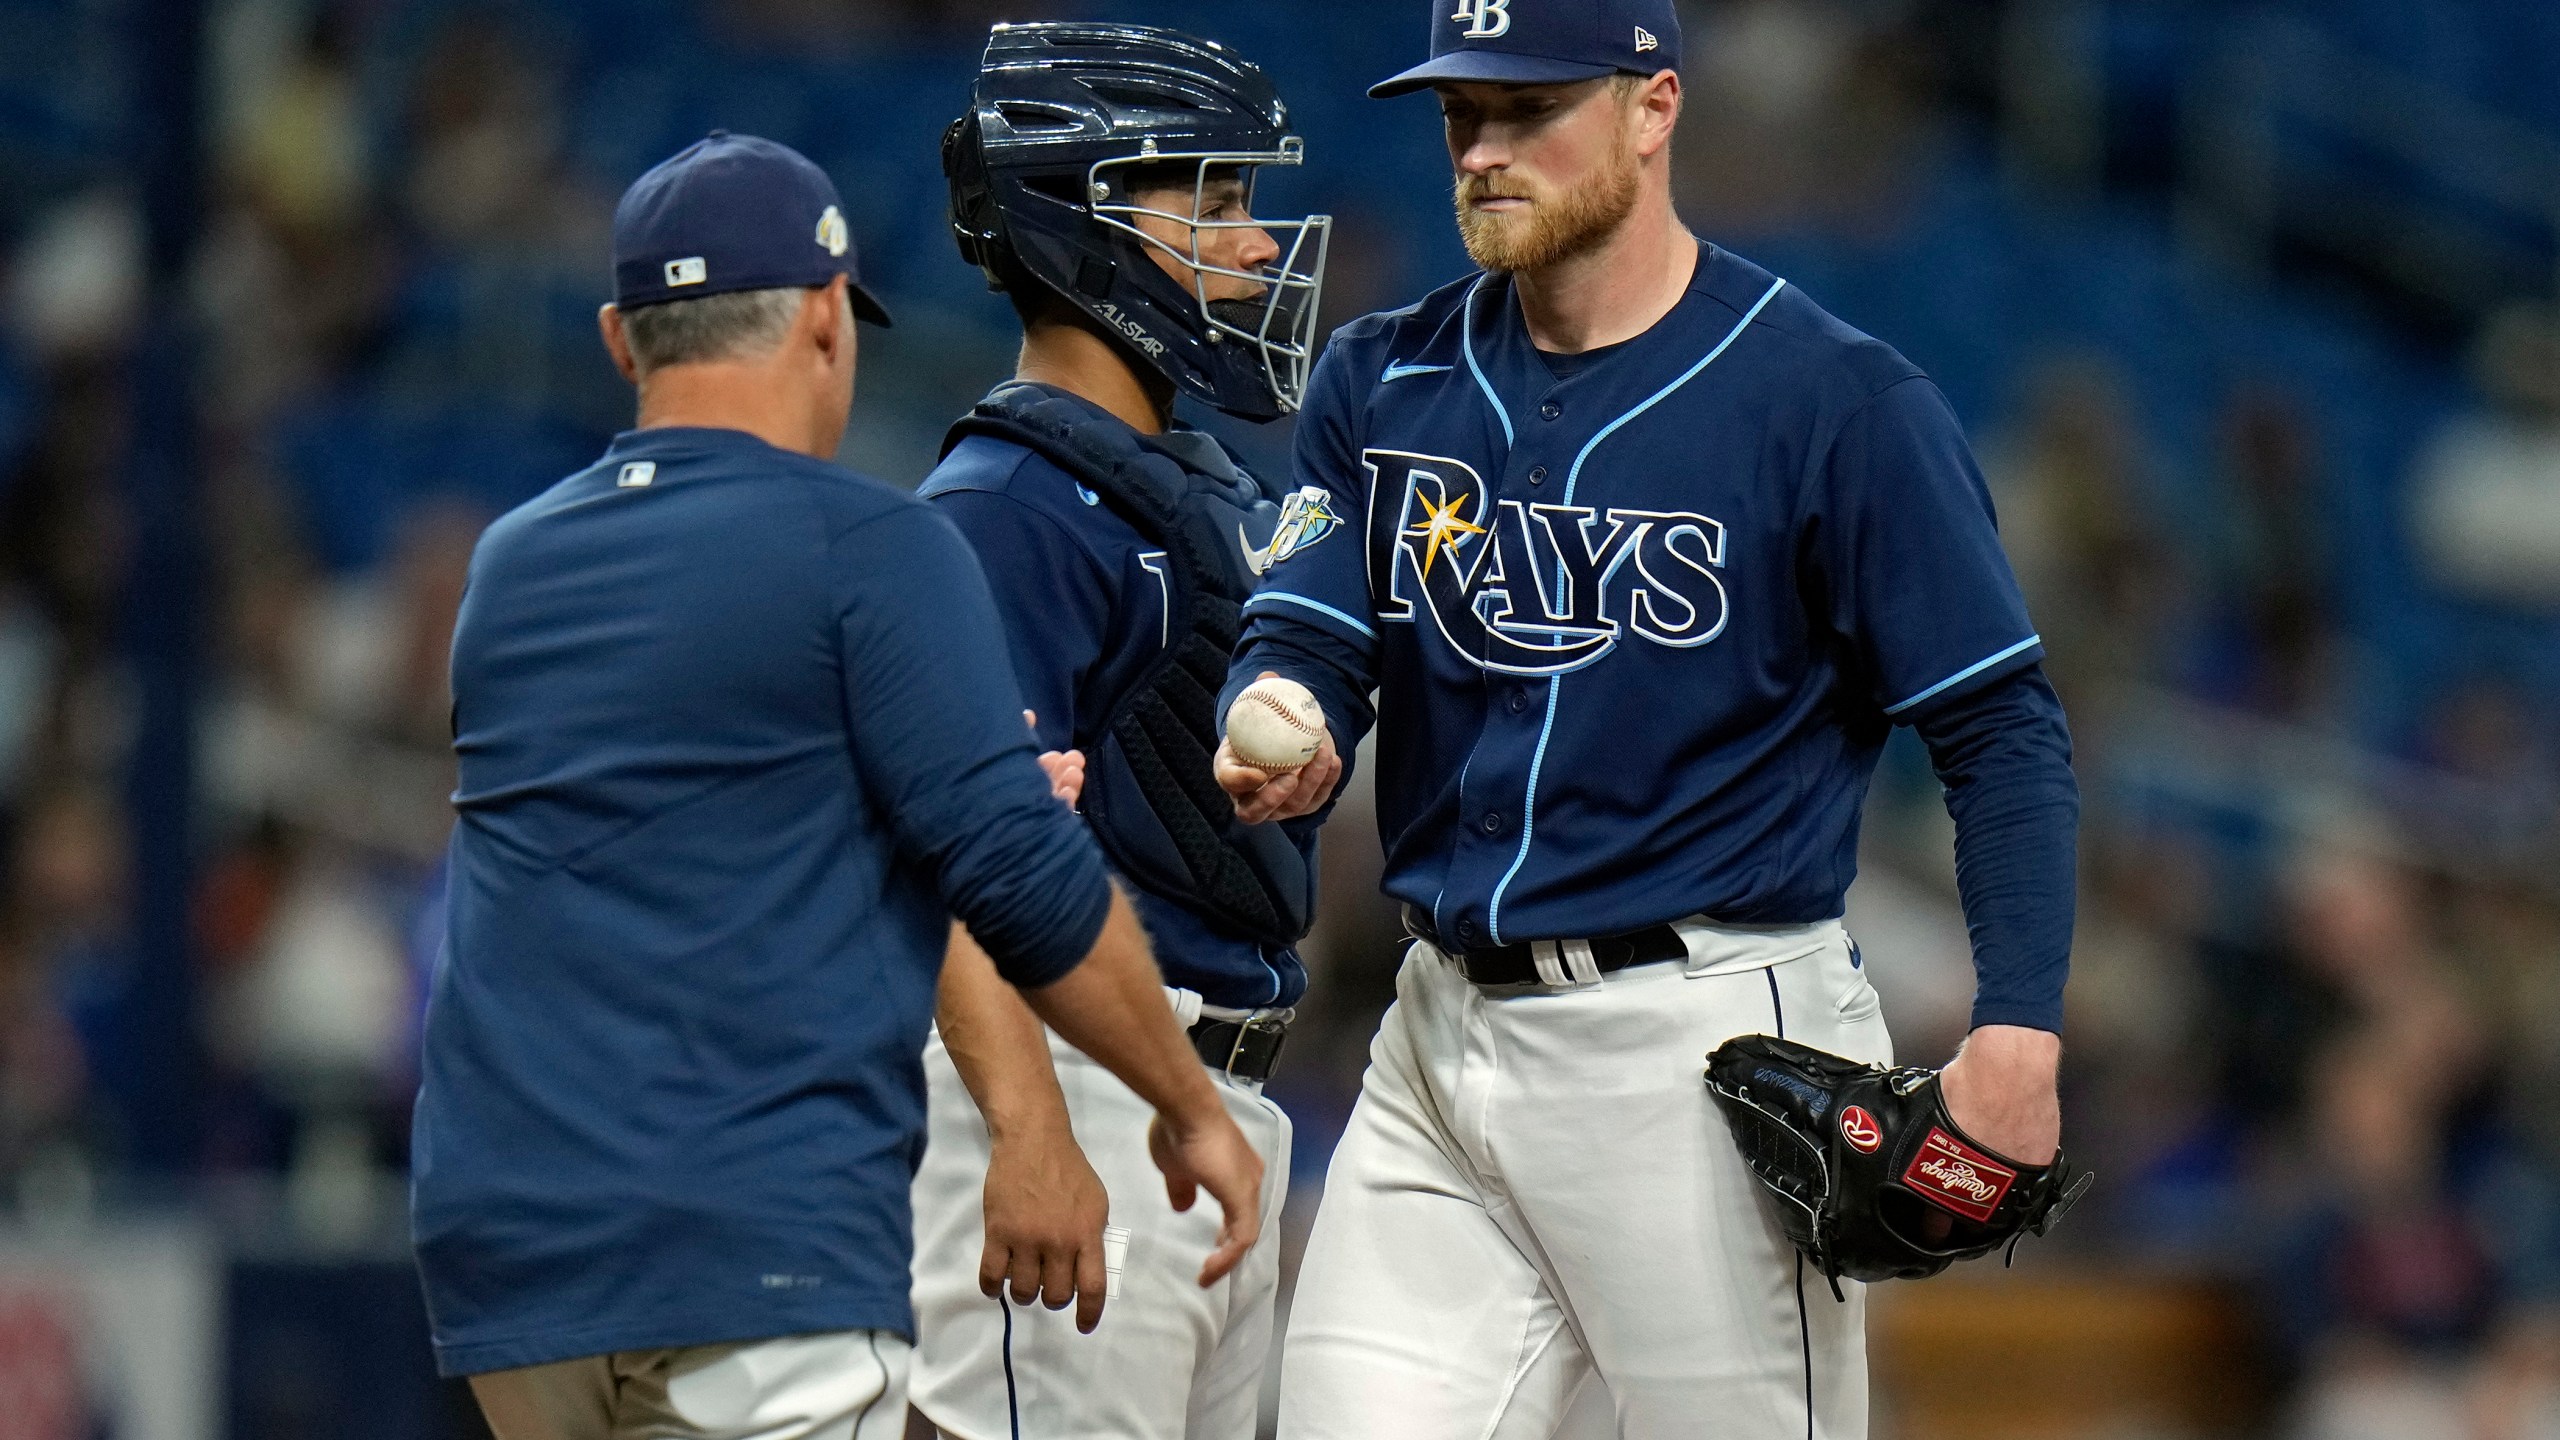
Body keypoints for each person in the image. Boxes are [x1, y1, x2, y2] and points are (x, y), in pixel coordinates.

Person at [1215, 3, 2081, 1435]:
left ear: (1652, 107)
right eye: (1461, 116)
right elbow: (1305, 628)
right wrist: (1284, 707)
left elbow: (2002, 732)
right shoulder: (1387, 377)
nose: (1486, 151)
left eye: (1530, 108)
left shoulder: (1832, 400)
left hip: (1698, 1044)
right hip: (1435, 1037)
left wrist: (2022, 1033)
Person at [409, 131, 1264, 1440]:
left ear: (620, 339)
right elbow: (1022, 880)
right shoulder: (869, 546)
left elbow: (674, 814)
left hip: (508, 1249)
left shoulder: (506, 570)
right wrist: (1187, 1103)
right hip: (748, 1229)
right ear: (824, 320)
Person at [904, 23, 1334, 1440]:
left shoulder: (1179, 482)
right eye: (1207, 205)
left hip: (1205, 1104)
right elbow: (958, 857)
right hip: (1074, 1095)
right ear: (1077, 226)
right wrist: (1027, 1132)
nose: (1256, 245)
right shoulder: (1002, 509)